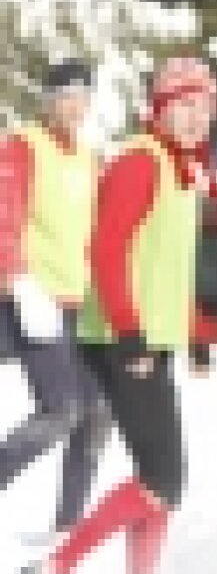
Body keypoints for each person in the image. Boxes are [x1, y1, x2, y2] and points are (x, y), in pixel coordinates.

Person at [15, 57, 217, 574]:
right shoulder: (139, 162)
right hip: (119, 340)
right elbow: (107, 253)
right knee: (164, 478)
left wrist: (195, 333)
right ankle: (51, 570)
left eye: (205, 109)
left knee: (162, 481)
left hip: (146, 340)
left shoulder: (182, 170)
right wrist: (131, 332)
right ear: (159, 110)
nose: (194, 119)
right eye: (183, 107)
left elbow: (171, 266)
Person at [0, 61, 111, 549]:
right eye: (66, 94)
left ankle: (67, 529)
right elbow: (4, 215)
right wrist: (16, 278)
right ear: (48, 99)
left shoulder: (88, 158)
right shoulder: (24, 146)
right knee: (62, 410)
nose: (75, 105)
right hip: (33, 296)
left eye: (83, 95)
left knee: (99, 410)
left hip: (80, 300)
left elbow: (98, 231)